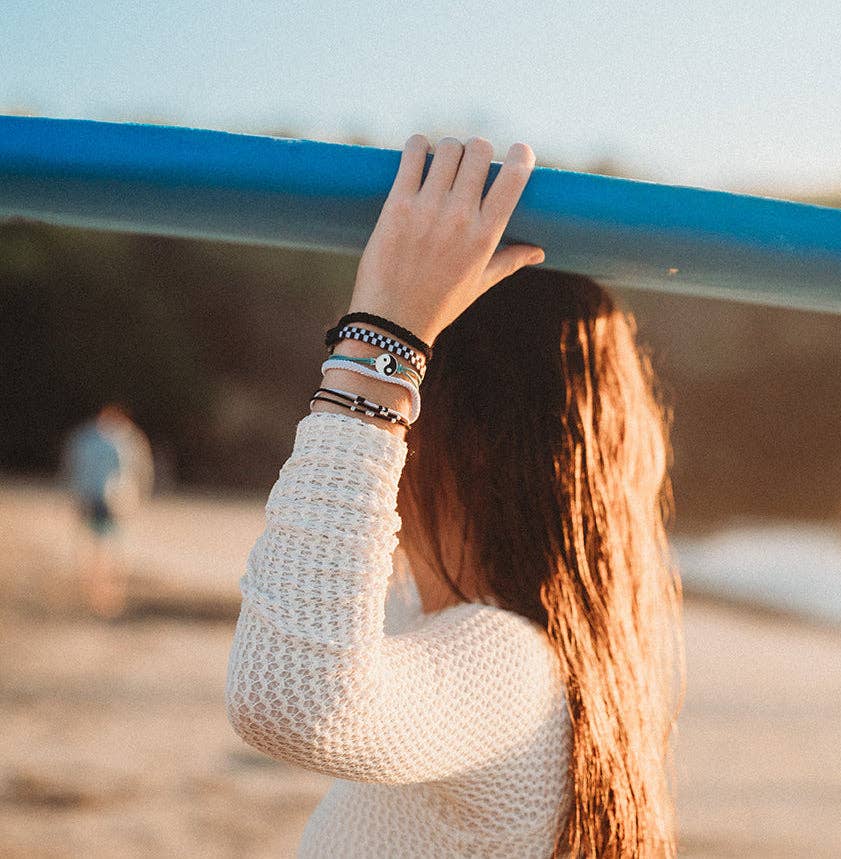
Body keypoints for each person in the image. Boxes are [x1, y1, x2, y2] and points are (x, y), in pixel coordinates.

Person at [225, 135, 686, 857]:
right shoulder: (521, 645)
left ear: (454, 431)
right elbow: (313, 638)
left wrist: (384, 340)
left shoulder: (515, 665)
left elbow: (291, 695)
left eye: (407, 408)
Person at [59, 401, 155, 617]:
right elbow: (140, 470)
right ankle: (101, 594)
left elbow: (72, 467)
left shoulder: (92, 437)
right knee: (104, 546)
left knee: (104, 546)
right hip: (105, 498)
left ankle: (103, 594)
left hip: (105, 499)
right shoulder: (122, 439)